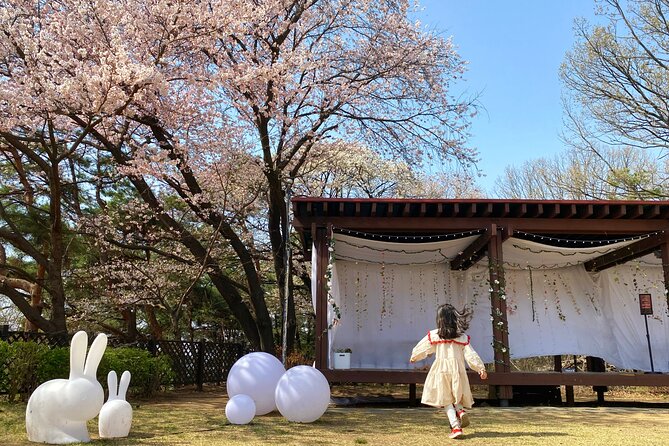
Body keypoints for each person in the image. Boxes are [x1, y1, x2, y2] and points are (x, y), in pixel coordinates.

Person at [410, 303, 488, 439]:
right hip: (458, 369)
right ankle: (460, 411)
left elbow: (423, 347)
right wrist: (480, 368)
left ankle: (456, 427)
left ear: (440, 319)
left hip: (441, 369)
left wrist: (415, 356)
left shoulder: (435, 335)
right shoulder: (462, 337)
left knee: (445, 398)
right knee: (455, 394)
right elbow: (470, 354)